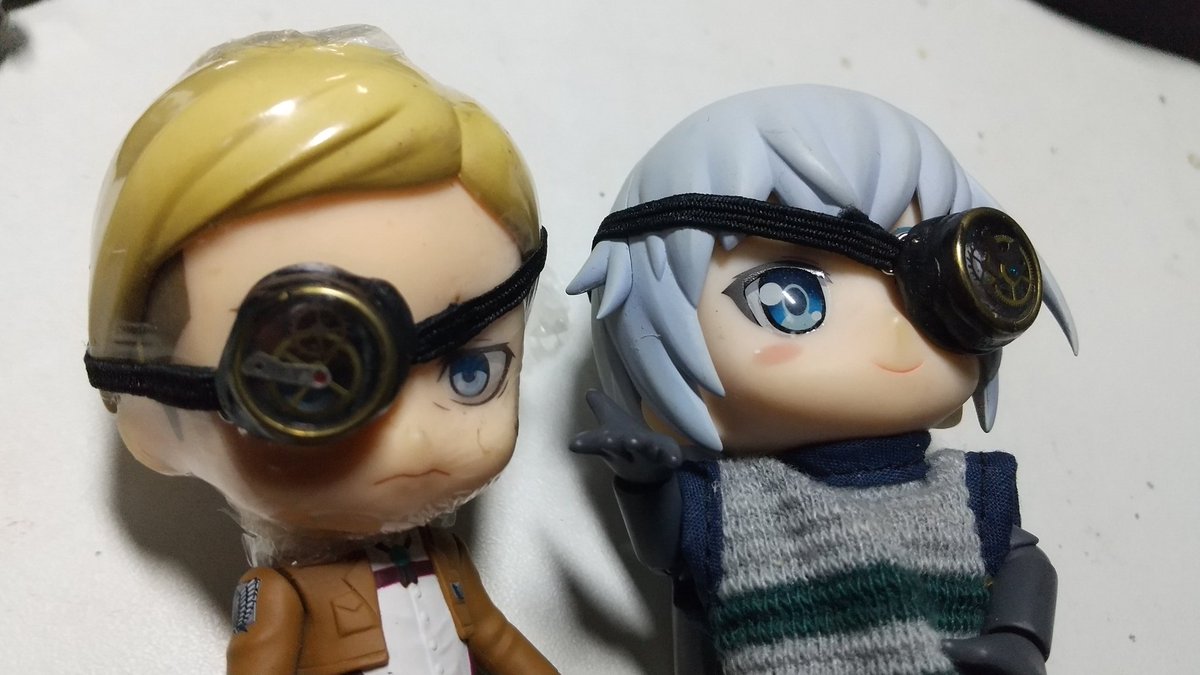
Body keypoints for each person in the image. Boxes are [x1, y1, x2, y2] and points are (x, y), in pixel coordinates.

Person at [85, 26, 554, 675]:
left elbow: (495, 637)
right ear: (153, 419)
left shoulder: (446, 561)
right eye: (312, 388)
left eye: (471, 372)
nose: (414, 440)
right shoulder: (280, 593)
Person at [569, 85, 1076, 675]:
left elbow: (1023, 561)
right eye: (790, 297)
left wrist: (1018, 636)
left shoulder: (961, 490)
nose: (891, 327)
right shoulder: (737, 505)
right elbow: (668, 550)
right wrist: (644, 482)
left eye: (932, 291)